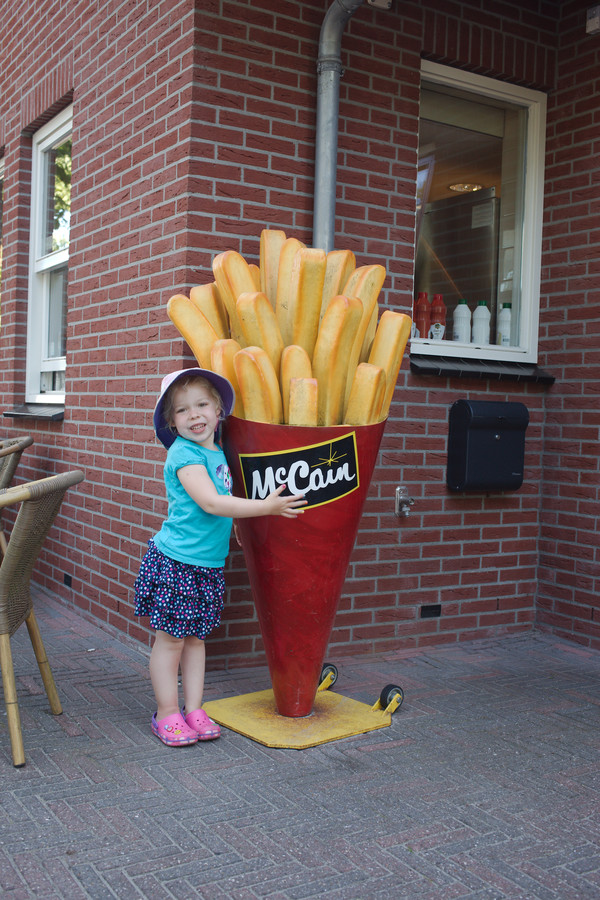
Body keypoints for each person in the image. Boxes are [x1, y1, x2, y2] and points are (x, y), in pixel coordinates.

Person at [134, 367, 305, 747]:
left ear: (218, 410)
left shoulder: (217, 451)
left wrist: (237, 527)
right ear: (171, 422)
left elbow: (220, 507)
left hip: (206, 566)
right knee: (171, 641)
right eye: (182, 410)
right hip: (177, 562)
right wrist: (266, 507)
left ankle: (193, 709)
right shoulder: (184, 454)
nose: (194, 415)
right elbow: (211, 502)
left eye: (202, 405)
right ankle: (166, 713)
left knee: (195, 639)